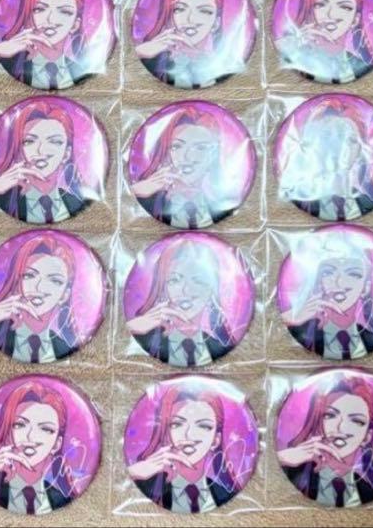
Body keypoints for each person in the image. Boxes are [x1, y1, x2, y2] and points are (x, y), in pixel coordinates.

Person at [276, 375, 373, 506]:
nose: (341, 427)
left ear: (366, 437)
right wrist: (282, 458)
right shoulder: (291, 474)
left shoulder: (371, 493)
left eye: (356, 421)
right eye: (330, 415)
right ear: (318, 422)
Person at [126, 386, 242, 512]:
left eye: (204, 426)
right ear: (165, 433)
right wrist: (134, 472)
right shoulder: (145, 488)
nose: (189, 435)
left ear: (215, 440)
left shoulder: (226, 494)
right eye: (177, 424)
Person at [0, 380, 77, 514]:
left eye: (45, 429)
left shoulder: (62, 499)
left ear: (56, 444)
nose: (30, 436)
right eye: (19, 425)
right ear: (7, 434)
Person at [126, 238, 238, 366]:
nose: (186, 290)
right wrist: (133, 327)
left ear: (212, 290)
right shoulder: (140, 340)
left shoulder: (222, 347)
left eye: (198, 281)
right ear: (163, 288)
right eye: (174, 280)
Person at [280, 235, 373, 359]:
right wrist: (292, 318)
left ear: (365, 288)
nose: (339, 282)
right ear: (319, 283)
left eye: (353, 274)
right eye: (327, 272)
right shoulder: (301, 332)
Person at [130, 106, 242, 227]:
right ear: (167, 152)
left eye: (200, 148)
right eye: (177, 146)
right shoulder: (148, 201)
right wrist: (137, 190)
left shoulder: (225, 202)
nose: (187, 157)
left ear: (214, 155)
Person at [0, 234, 81, 362]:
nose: (39, 287)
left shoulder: (65, 346)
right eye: (29, 275)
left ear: (64, 295)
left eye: (55, 280)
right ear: (15, 283)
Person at [278, 98, 373, 220]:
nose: (340, 148)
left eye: (351, 140)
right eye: (327, 137)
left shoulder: (369, 204)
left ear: (360, 151)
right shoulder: (296, 201)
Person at [0, 101, 88, 224]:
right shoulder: (0, 199)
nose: (41, 151)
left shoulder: (76, 202)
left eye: (55, 142)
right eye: (29, 141)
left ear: (66, 154)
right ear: (18, 150)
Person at [135, 0, 241, 88]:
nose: (190, 19)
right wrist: (141, 52)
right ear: (168, 17)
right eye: (180, 9)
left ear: (216, 24)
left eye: (204, 11)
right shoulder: (152, 60)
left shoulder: (224, 65)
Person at [0, 0, 94, 90]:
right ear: (27, 17)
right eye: (39, 9)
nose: (50, 19)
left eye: (65, 12)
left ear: (74, 25)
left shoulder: (82, 70)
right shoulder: (8, 63)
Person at [277, 0, 373, 83]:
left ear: (355, 20)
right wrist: (290, 45)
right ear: (308, 11)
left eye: (345, 7)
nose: (331, 14)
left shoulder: (361, 67)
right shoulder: (291, 55)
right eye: (320, 4)